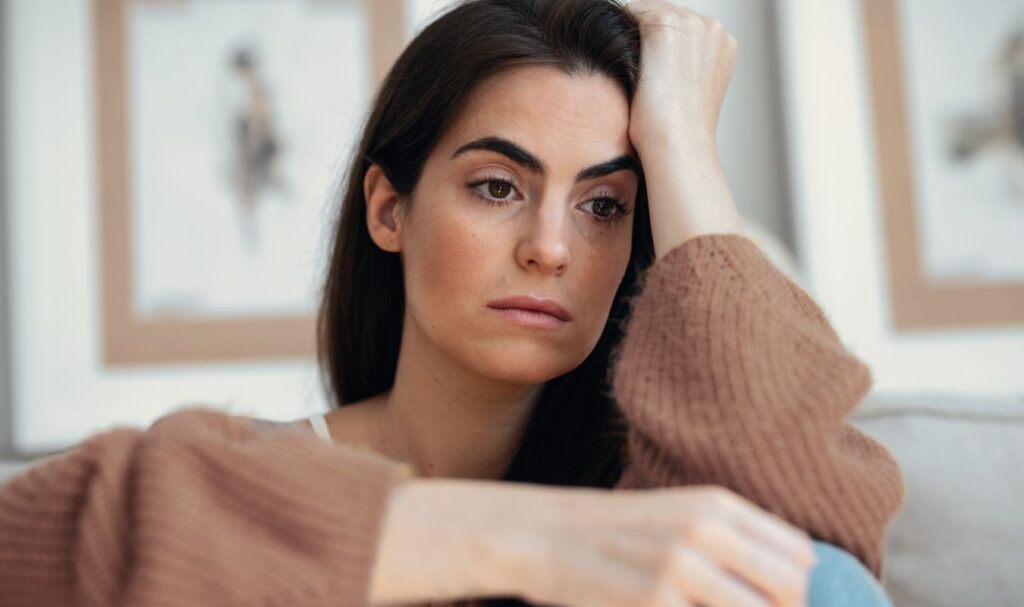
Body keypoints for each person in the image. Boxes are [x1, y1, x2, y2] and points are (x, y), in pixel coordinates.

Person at [0, 1, 906, 606]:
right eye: (497, 186)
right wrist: (530, 541)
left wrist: (683, 149)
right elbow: (46, 538)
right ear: (391, 209)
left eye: (605, 206)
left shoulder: (655, 497)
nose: (550, 247)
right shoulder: (248, 500)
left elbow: (816, 553)